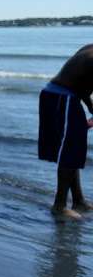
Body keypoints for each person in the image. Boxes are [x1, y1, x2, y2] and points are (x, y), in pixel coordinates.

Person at [39, 44, 93, 220]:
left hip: (59, 96)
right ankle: (59, 205)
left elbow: (82, 82)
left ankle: (78, 201)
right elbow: (83, 88)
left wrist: (91, 109)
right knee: (70, 150)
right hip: (63, 98)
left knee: (73, 150)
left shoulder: (89, 48)